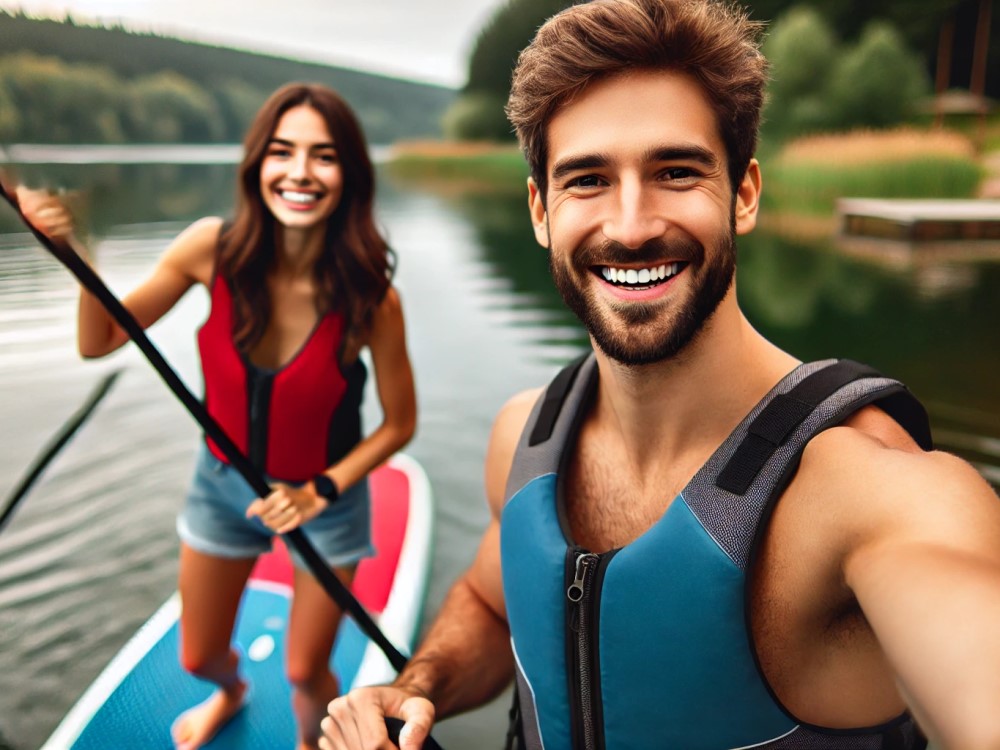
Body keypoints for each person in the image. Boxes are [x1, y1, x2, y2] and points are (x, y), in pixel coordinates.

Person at [318, 1, 1000, 749]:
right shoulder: (525, 434)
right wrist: (416, 690)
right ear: (541, 210)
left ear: (743, 193)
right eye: (587, 180)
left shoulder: (861, 487)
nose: (632, 225)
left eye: (676, 171)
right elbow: (493, 602)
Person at [18, 82, 417, 750]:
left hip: (326, 498)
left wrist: (320, 492)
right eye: (281, 151)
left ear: (349, 173)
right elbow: (100, 341)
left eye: (323, 156)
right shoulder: (210, 248)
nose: (298, 172)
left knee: (306, 668)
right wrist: (77, 257)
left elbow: (399, 426)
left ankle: (308, 742)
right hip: (221, 485)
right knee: (198, 656)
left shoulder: (372, 296)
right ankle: (232, 693)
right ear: (257, 163)